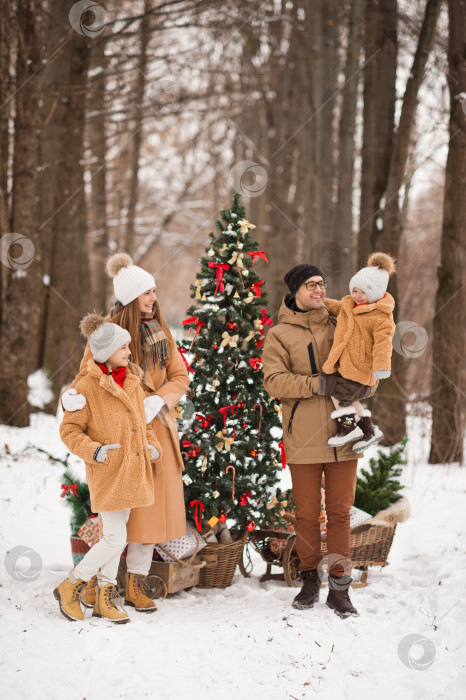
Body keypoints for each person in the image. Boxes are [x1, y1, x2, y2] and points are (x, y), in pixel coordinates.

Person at [61, 253, 189, 612]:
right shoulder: (106, 335)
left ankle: (135, 584)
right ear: (131, 298)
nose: (153, 298)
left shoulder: (163, 333)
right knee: (120, 517)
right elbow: (84, 378)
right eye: (147, 292)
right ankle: (98, 586)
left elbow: (181, 377)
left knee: (150, 513)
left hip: (156, 433)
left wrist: (159, 401)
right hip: (118, 432)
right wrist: (68, 398)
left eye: (154, 290)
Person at [262, 264, 379, 618]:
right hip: (303, 435)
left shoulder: (341, 322)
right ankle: (310, 579)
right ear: (295, 290)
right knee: (307, 514)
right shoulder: (279, 334)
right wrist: (319, 383)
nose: (319, 289)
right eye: (311, 284)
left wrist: (364, 385)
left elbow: (366, 363)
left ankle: (340, 588)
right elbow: (275, 382)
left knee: (340, 513)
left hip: (344, 433)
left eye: (322, 284)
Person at [54, 314, 162, 624]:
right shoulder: (86, 387)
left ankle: (103, 596)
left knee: (119, 536)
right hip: (108, 471)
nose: (129, 352)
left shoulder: (131, 380)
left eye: (129, 347)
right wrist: (96, 451)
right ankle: (70, 585)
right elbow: (70, 431)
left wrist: (151, 445)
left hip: (133, 470)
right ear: (105, 352)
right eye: (123, 347)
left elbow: (143, 422)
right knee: (115, 538)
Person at [319, 252, 396, 451]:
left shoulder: (380, 317)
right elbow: (338, 307)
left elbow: (383, 344)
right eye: (355, 290)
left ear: (376, 293)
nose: (358, 296)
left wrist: (382, 367)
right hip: (347, 366)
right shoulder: (350, 306)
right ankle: (369, 430)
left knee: (337, 393)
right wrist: (323, 301)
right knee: (346, 397)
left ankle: (348, 429)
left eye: (364, 292)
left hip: (361, 369)